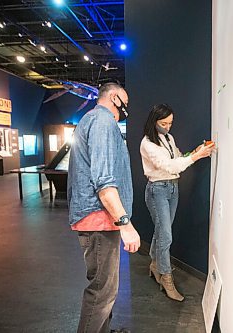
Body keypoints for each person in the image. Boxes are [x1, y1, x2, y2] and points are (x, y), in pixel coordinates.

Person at [67, 82, 141, 333]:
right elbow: (104, 181)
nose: (125, 109)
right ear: (114, 97)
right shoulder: (103, 122)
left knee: (105, 287)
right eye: (125, 103)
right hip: (99, 218)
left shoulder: (90, 121)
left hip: (98, 217)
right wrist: (126, 224)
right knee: (102, 291)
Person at [140, 103, 215, 301]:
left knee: (161, 231)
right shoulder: (147, 144)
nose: (168, 126)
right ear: (153, 121)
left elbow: (179, 158)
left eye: (171, 123)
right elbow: (170, 166)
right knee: (166, 235)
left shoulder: (168, 138)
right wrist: (197, 157)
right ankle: (166, 277)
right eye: (164, 123)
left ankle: (155, 265)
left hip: (172, 188)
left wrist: (194, 152)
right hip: (157, 190)